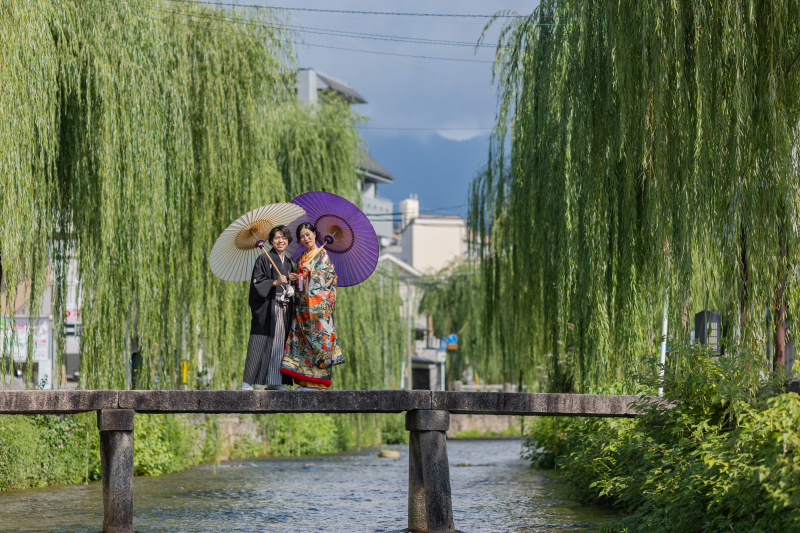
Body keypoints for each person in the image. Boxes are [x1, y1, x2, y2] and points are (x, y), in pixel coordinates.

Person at [280, 222, 343, 390]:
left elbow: (329, 280)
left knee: (318, 344)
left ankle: (318, 383)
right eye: (301, 237)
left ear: (315, 234)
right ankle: (304, 381)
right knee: (304, 344)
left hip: (317, 311)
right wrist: (294, 277)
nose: (305, 239)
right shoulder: (302, 257)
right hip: (302, 309)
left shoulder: (323, 255)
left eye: (308, 234)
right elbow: (300, 282)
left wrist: (313, 272)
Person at [242, 225, 298, 390]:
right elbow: (256, 284)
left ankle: (274, 382)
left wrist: (291, 280)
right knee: (259, 342)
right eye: (276, 238)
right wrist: (275, 282)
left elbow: (289, 287)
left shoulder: (288, 262)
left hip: (283, 309)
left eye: (284, 238)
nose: (280, 241)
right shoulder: (263, 259)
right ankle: (247, 382)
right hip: (267, 309)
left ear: (288, 241)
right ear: (271, 241)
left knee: (279, 344)